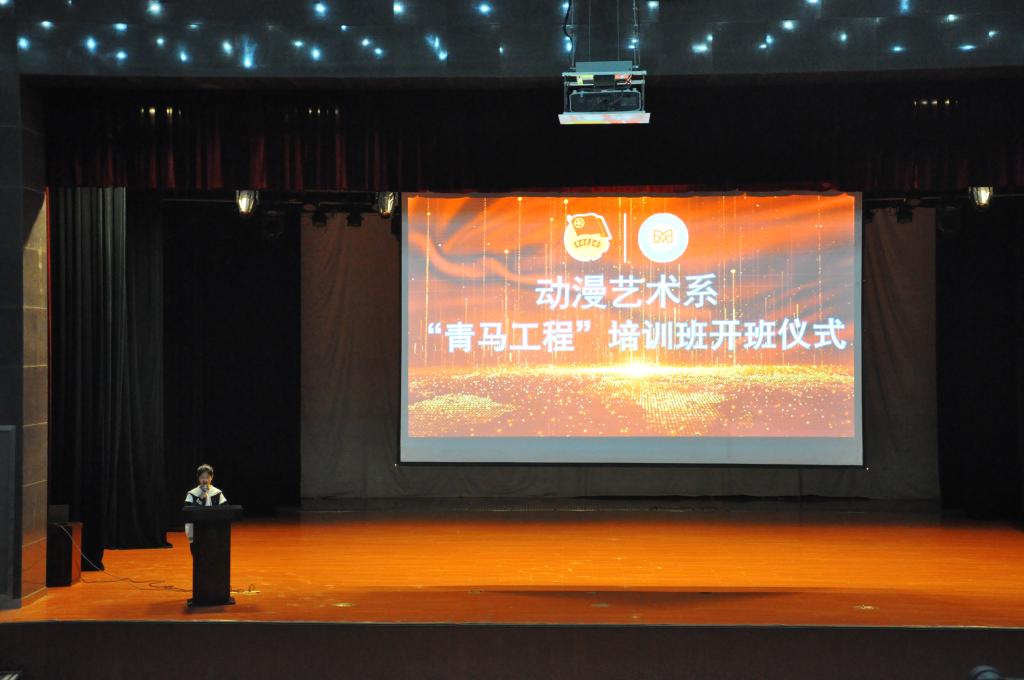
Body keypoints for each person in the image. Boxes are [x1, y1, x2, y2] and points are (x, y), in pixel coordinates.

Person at [184, 463, 227, 552]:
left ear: (212, 477)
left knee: (213, 552)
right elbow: (188, 512)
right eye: (202, 477)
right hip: (196, 529)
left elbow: (225, 510)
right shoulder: (192, 493)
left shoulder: (217, 493)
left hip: (213, 528)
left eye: (207, 477)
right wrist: (200, 497)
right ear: (198, 478)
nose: (205, 480)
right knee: (198, 552)